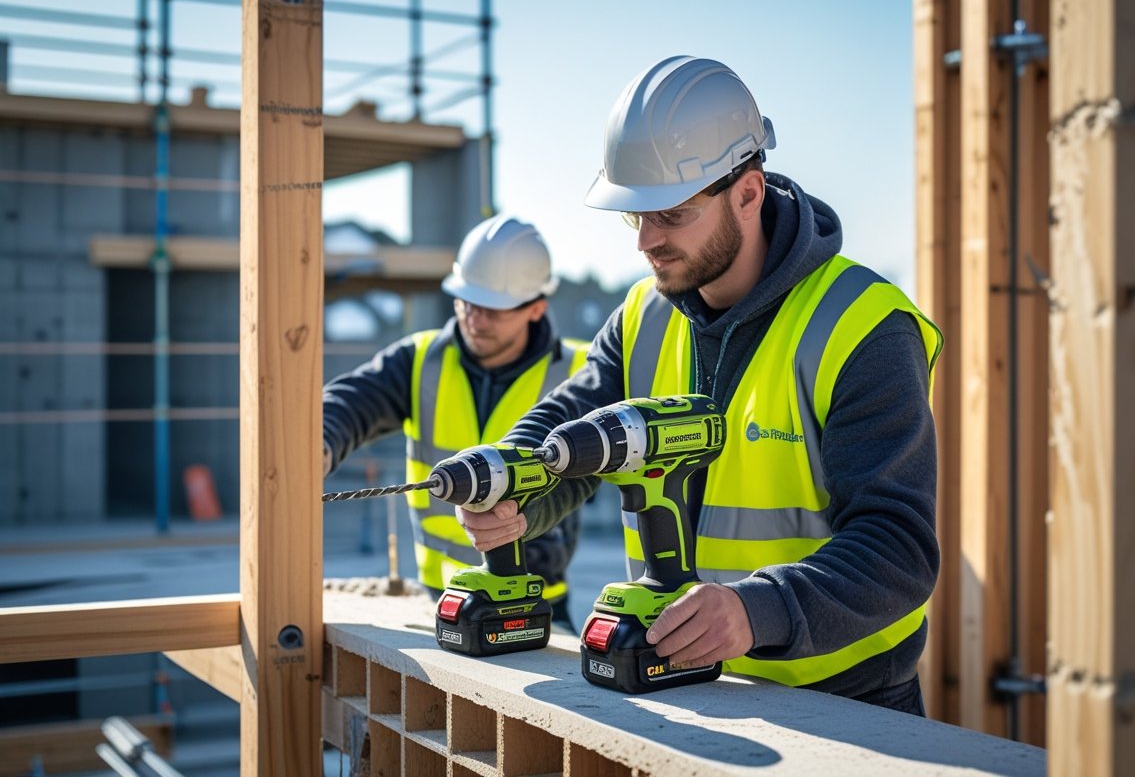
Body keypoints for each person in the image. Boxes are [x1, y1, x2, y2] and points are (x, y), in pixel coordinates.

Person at [457, 56, 942, 715]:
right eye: (636, 216)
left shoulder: (863, 327)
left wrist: (755, 611)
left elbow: (897, 550)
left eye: (673, 214)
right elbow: (570, 432)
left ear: (747, 191)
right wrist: (508, 483)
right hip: (676, 687)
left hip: (844, 702)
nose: (646, 242)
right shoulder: (642, 314)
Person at [321, 214, 591, 632]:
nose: (476, 319)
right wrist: (319, 439)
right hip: (442, 601)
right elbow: (351, 402)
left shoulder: (581, 373)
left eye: (493, 309)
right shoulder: (419, 360)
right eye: (467, 302)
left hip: (539, 605)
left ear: (536, 307)